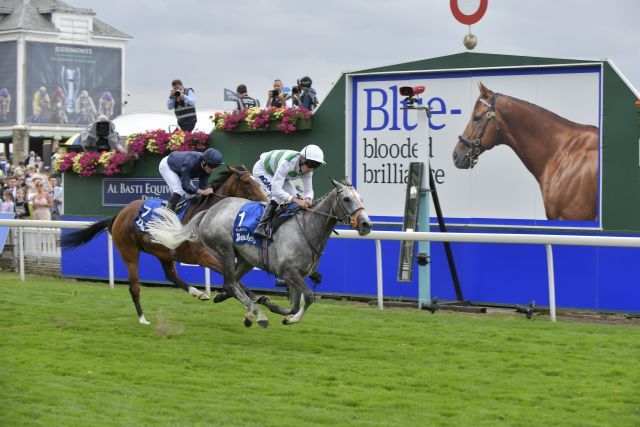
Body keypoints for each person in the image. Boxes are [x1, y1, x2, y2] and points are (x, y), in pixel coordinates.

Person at [252, 144, 325, 238]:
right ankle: (261, 226)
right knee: (279, 196)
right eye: (311, 164)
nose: (311, 169)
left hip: (280, 174)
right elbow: (276, 190)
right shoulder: (287, 163)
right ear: (302, 158)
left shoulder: (309, 169)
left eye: (316, 165)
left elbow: (309, 190)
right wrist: (297, 200)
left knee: (297, 197)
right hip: (262, 170)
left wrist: (308, 198)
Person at [158, 148, 223, 212]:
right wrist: (202, 192)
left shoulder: (206, 168)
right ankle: (166, 214)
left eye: (215, 166)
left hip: (181, 168)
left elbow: (203, 186)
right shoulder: (190, 163)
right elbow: (185, 185)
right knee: (178, 189)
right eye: (212, 166)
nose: (213, 170)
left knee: (193, 195)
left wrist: (206, 193)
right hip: (168, 165)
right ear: (204, 162)